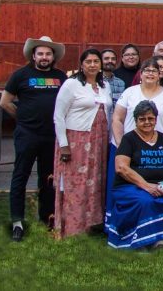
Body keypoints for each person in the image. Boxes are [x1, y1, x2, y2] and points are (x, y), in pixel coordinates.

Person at [0, 36, 67, 240]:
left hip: (51, 136)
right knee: (20, 177)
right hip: (27, 135)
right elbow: (5, 102)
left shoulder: (61, 77)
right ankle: (18, 223)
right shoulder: (20, 75)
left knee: (48, 180)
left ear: (53, 56)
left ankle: (46, 219)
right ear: (33, 55)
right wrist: (23, 118)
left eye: (48, 53)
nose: (44, 57)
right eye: (40, 53)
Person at [106, 101, 163, 250]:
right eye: (142, 119)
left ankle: (158, 240)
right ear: (136, 121)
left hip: (159, 185)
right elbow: (121, 168)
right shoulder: (129, 139)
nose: (147, 122)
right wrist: (146, 186)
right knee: (145, 200)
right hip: (129, 186)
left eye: (150, 118)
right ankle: (139, 242)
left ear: (155, 119)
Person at [52, 49, 111, 238]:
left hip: (99, 141)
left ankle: (90, 224)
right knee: (74, 184)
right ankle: (71, 227)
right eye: (89, 61)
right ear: (82, 64)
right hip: (76, 140)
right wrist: (64, 144)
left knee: (94, 183)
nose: (93, 65)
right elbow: (59, 116)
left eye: (96, 61)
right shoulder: (71, 85)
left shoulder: (104, 86)